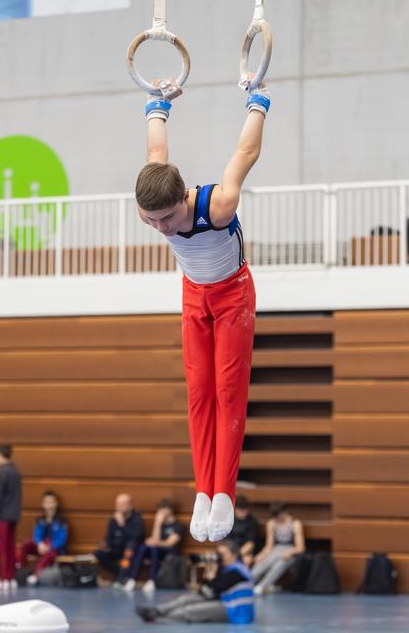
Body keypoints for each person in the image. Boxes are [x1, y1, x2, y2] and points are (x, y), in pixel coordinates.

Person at [135, 78, 270, 543]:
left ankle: (225, 493)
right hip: (194, 294)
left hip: (233, 296)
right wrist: (158, 103)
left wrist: (259, 100)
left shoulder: (218, 205)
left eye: (166, 219)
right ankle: (202, 491)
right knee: (198, 393)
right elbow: (156, 150)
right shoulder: (152, 201)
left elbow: (245, 153)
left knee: (228, 390)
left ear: (185, 200)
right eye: (150, 219)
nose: (159, 227)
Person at [137, 538, 254, 624]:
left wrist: (211, 576)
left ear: (233, 554)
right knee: (187, 599)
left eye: (223, 554)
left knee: (192, 610)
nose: (220, 557)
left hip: (235, 610)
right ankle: (156, 611)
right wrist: (211, 575)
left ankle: (159, 619)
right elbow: (210, 589)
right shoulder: (227, 567)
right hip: (225, 601)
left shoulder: (238, 571)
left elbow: (216, 587)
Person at [125, 498, 183, 593]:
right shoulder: (161, 524)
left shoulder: (178, 526)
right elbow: (155, 538)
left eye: (163, 509)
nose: (160, 512)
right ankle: (132, 579)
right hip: (156, 550)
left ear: (170, 510)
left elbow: (169, 544)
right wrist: (157, 523)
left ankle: (152, 580)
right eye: (160, 509)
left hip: (170, 554)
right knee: (142, 548)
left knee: (154, 549)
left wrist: (156, 542)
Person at [252, 503, 305, 595]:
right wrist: (262, 555)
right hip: (276, 550)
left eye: (280, 514)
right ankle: (248, 580)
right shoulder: (271, 523)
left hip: (291, 551)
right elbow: (269, 545)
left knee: (281, 562)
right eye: (276, 516)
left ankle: (262, 586)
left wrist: (290, 552)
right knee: (264, 561)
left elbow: (300, 547)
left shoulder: (295, 523)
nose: (279, 518)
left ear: (285, 512)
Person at [18, 490, 68, 586]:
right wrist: (39, 543)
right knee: (26, 543)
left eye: (51, 502)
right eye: (46, 502)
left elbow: (62, 539)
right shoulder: (40, 520)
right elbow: (37, 534)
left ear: (56, 504)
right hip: (41, 547)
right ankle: (23, 569)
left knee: (49, 554)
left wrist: (50, 546)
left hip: (54, 549)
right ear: (43, 504)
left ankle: (36, 575)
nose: (49, 505)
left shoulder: (61, 521)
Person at [93, 493, 145, 586]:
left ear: (130, 505)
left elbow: (136, 537)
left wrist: (122, 525)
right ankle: (120, 573)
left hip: (130, 551)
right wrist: (105, 546)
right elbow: (108, 538)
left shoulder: (137, 519)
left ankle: (121, 578)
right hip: (115, 549)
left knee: (129, 550)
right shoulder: (113, 519)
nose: (119, 507)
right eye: (117, 505)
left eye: (122, 504)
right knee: (98, 552)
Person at [0, 445, 22, 591]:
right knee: (11, 547)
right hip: (13, 515)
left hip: (2, 516)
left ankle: (4, 578)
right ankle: (11, 578)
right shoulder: (16, 472)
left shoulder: (1, 473)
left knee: (3, 548)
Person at [230, 495, 260, 566]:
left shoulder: (252, 521)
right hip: (231, 550)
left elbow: (250, 544)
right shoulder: (230, 520)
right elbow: (226, 541)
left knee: (245, 561)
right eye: (240, 510)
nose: (243, 513)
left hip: (245, 552)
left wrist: (236, 555)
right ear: (235, 509)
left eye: (245, 510)